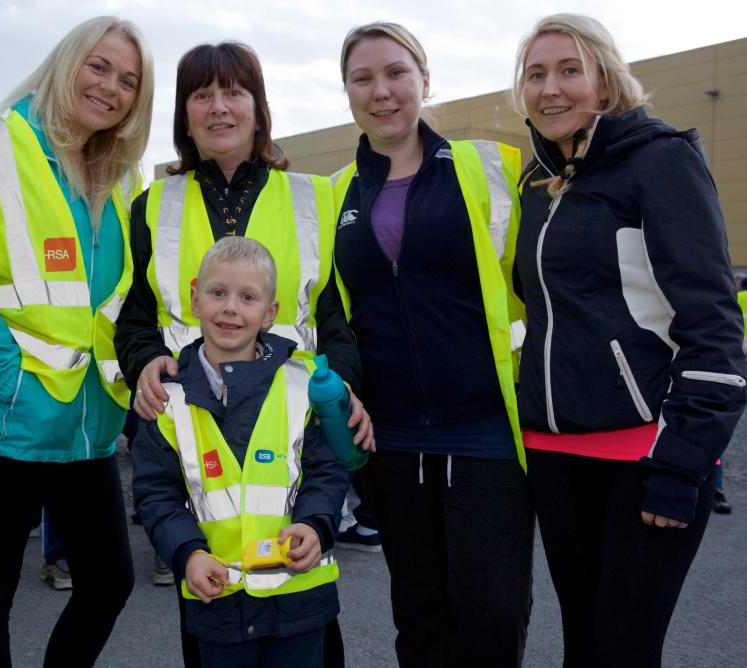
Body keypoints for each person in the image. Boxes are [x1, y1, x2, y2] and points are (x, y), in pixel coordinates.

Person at [114, 40, 369, 666]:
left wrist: (349, 390)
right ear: (185, 113)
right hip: (195, 428)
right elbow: (134, 315)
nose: (219, 107)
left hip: (292, 420)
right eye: (202, 94)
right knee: (207, 617)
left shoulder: (312, 196)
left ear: (258, 108)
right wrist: (144, 359)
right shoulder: (151, 206)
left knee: (307, 615)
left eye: (235, 92)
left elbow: (334, 314)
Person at [511, 14, 746, 666]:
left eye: (568, 70)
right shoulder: (537, 183)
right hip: (556, 457)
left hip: (645, 457)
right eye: (535, 74)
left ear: (606, 79)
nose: (550, 89)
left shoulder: (660, 159)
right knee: (583, 645)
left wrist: (682, 466)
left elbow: (714, 327)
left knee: (623, 651)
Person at [0, 16, 153, 666]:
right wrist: (8, 378)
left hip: (85, 427)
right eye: (98, 66)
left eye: (128, 81)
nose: (111, 86)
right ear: (66, 63)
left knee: (110, 581)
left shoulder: (123, 180)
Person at [332, 22, 533, 667]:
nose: (381, 91)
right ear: (347, 91)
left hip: (486, 432)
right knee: (418, 618)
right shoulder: (334, 194)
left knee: (492, 615)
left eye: (396, 73)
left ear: (424, 79)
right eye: (363, 78)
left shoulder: (492, 166)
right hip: (388, 439)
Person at [132, 236, 348, 667]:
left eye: (247, 297)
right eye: (218, 293)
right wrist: (187, 553)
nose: (231, 308)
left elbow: (327, 469)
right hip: (219, 603)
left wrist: (315, 525)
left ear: (269, 313)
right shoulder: (167, 401)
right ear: (195, 298)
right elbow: (156, 494)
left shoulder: (303, 385)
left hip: (299, 600)